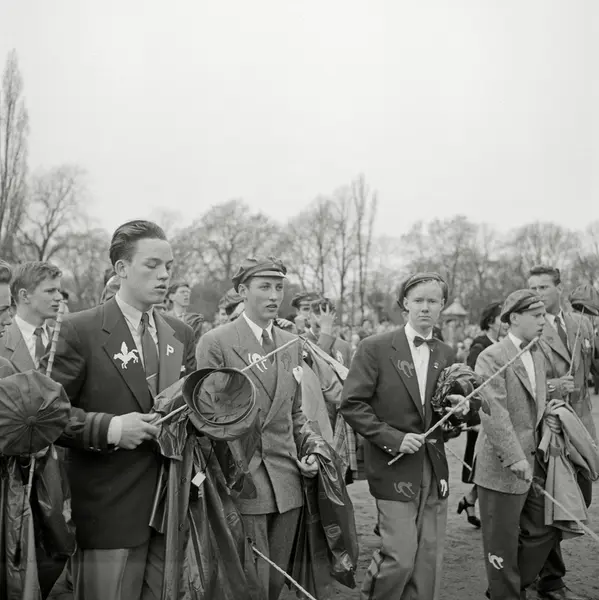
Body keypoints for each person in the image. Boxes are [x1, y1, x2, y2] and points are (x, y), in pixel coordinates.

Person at [40, 220, 197, 600]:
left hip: (171, 511)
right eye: (152, 265)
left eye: (169, 266)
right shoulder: (79, 330)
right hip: (108, 513)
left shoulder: (181, 333)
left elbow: (190, 410)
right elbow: (45, 415)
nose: (164, 275)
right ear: (121, 268)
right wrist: (110, 428)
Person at [196, 257, 320, 600]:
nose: (274, 295)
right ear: (242, 291)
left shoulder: (291, 343)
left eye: (279, 287)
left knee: (274, 582)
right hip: (243, 481)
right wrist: (230, 476)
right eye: (264, 287)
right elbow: (207, 420)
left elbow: (296, 414)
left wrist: (310, 450)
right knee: (250, 582)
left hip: (288, 480)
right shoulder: (216, 342)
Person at [340, 272, 468, 600]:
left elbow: (446, 416)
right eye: (418, 300)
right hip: (392, 465)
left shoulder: (447, 353)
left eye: (432, 301)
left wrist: (459, 410)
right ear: (405, 305)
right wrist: (394, 438)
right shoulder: (374, 348)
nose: (425, 307)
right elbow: (352, 405)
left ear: (442, 305)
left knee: (428, 559)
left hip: (434, 468)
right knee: (399, 556)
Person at [474, 289, 562, 600]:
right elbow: (493, 412)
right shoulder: (491, 356)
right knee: (500, 542)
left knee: (545, 530)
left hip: (536, 462)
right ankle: (506, 593)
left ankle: (508, 585)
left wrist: (549, 416)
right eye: (536, 316)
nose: (542, 322)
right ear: (514, 318)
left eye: (543, 315)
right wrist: (514, 456)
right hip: (500, 468)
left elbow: (535, 403)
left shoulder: (538, 353)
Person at [528, 265, 597, 600]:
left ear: (559, 288)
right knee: (552, 502)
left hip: (581, 427)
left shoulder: (581, 322)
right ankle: (550, 581)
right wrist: (555, 385)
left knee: (581, 496)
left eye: (543, 288)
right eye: (532, 288)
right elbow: (521, 380)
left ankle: (529, 565)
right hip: (549, 427)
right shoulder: (527, 326)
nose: (537, 294)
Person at [457, 301, 505, 529]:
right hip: (482, 417)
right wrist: (476, 420)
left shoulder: (501, 345)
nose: (506, 321)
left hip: (498, 414)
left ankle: (470, 500)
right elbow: (470, 384)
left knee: (495, 464)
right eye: (502, 317)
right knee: (486, 466)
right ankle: (477, 504)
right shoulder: (480, 346)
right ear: (491, 321)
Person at [0, 261, 63, 371]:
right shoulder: (2, 340)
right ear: (24, 295)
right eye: (50, 291)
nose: (59, 297)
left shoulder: (63, 341)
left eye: (58, 290)